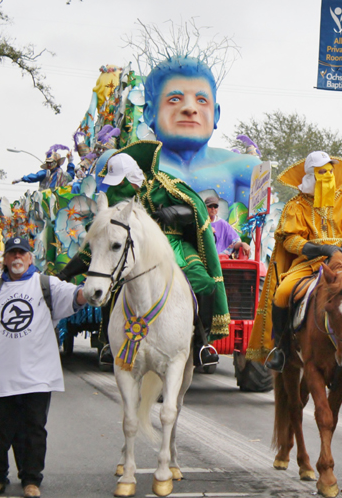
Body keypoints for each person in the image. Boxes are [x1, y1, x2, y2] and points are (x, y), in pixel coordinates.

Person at [59, 142, 230, 366]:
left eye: (121, 181)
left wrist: (174, 212)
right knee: (115, 280)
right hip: (135, 250)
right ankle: (113, 343)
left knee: (205, 282)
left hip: (173, 245)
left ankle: (201, 343)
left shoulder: (165, 186)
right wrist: (64, 274)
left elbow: (194, 210)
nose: (117, 187)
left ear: (132, 177)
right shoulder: (116, 198)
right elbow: (108, 239)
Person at [0, 237, 87, 498]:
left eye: (22, 253)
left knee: (34, 431)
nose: (17, 258)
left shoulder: (46, 285)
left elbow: (77, 297)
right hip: (3, 376)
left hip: (39, 377)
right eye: (12, 253)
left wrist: (92, 286)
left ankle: (31, 480)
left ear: (30, 258)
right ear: (5, 259)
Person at [247, 151, 342, 370]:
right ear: (310, 175)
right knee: (282, 293)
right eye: (322, 172)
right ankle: (281, 349)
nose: (328, 175)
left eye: (330, 170)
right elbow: (289, 240)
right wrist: (321, 248)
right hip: (308, 264)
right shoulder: (296, 205)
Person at [142, 56, 260, 206]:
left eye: (202, 100)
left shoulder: (246, 169)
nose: (190, 108)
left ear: (216, 114)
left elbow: (252, 227)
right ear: (149, 113)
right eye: (175, 99)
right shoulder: (126, 165)